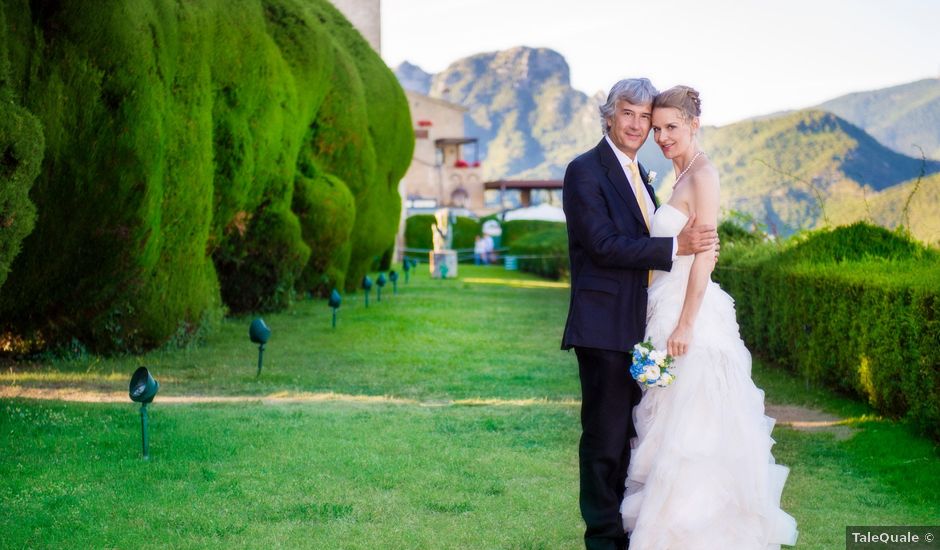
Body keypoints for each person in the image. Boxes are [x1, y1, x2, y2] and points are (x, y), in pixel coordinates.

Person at [619, 86, 798, 549]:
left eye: (671, 127)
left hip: (689, 316)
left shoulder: (704, 175)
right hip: (661, 309)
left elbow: (704, 258)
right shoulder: (676, 176)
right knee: (666, 428)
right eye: (657, 128)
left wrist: (685, 324)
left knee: (696, 430)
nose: (661, 136)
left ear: (694, 124)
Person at [561, 78, 719, 550]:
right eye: (627, 113)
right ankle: (604, 540)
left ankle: (631, 533)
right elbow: (603, 245)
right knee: (605, 441)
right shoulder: (585, 171)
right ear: (609, 116)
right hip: (604, 327)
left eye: (643, 116)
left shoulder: (641, 174)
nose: (636, 124)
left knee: (636, 439)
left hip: (642, 326)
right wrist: (676, 246)